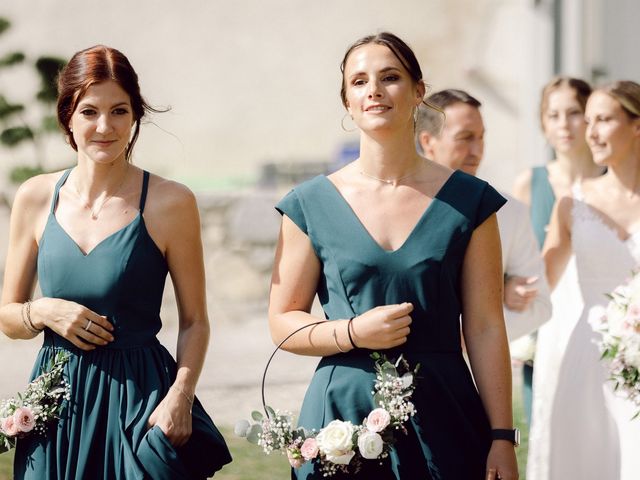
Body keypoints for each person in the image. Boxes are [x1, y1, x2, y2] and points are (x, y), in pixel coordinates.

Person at [269, 32, 518, 479]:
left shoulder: (471, 202)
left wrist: (502, 436)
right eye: (359, 82)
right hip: (340, 418)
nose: (374, 90)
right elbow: (283, 320)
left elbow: (483, 326)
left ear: (418, 91)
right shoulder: (308, 203)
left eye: (390, 77)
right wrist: (351, 331)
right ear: (347, 101)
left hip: (445, 413)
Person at [0, 45, 231, 479]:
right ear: (68, 115)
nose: (104, 126)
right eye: (89, 111)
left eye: (119, 111)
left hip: (140, 403)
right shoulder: (34, 197)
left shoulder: (171, 202)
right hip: (55, 407)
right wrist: (43, 310)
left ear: (135, 116)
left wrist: (180, 397)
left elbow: (195, 320)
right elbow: (8, 317)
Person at [527, 80, 640, 480]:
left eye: (604, 120)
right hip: (590, 359)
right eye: (587, 120)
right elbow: (533, 284)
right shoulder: (572, 204)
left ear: (637, 124)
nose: (589, 132)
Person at [416, 89, 551, 344]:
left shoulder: (509, 210)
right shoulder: (398, 206)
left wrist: (470, 337)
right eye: (465, 138)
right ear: (427, 142)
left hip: (478, 372)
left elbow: (540, 304)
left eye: (481, 138)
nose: (477, 150)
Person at [512, 77, 603, 426]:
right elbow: (514, 261)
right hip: (548, 327)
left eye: (574, 113)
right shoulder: (529, 182)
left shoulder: (616, 182)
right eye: (553, 115)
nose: (564, 124)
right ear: (542, 123)